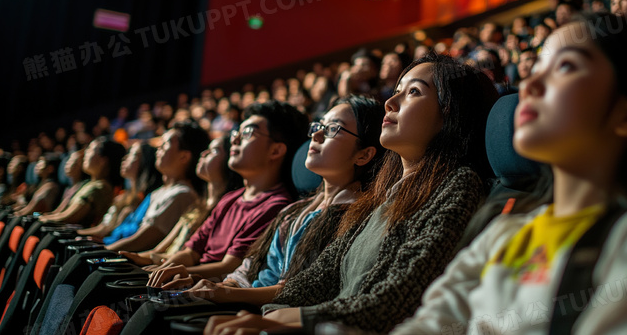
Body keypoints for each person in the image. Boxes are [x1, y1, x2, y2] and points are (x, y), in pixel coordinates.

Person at [391, 14, 627, 335]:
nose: (529, 84)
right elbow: (429, 325)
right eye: (536, 69)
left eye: (565, 67)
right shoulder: (503, 230)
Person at [204, 54, 500, 335]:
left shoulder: (458, 186)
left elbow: (399, 298)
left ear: (451, 114)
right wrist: (271, 313)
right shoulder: (381, 197)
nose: (390, 102)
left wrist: (299, 319)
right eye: (395, 90)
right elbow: (319, 277)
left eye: (413, 92)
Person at [184, 96, 385, 305]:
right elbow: (250, 269)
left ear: (363, 155)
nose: (316, 135)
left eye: (332, 129)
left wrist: (227, 294)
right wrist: (223, 286)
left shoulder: (355, 216)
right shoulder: (293, 211)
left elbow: (303, 290)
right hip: (247, 303)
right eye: (319, 126)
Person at [142, 101, 308, 287]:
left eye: (248, 133)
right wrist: (161, 270)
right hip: (191, 280)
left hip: (211, 289)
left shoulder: (276, 205)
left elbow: (228, 267)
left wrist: (181, 272)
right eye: (237, 133)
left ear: (276, 150)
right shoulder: (230, 198)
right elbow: (191, 251)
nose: (234, 140)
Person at [119, 135, 240, 266]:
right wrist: (133, 257)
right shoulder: (197, 206)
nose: (204, 153)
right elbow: (159, 250)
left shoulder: (225, 207)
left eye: (214, 150)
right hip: (168, 265)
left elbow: (200, 259)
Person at [105, 122, 210, 251]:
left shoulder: (182, 194)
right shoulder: (159, 191)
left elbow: (141, 241)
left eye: (165, 144)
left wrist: (102, 251)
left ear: (184, 157)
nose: (159, 148)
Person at [78, 141, 162, 241]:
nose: (125, 158)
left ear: (145, 162)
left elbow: (108, 230)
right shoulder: (124, 195)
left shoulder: (144, 199)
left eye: (133, 155)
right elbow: (104, 227)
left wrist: (77, 234)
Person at [39, 137, 125, 227]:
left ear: (103, 160)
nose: (86, 154)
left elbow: (69, 218)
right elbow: (61, 214)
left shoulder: (100, 188)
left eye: (91, 150)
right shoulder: (89, 184)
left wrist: (41, 219)